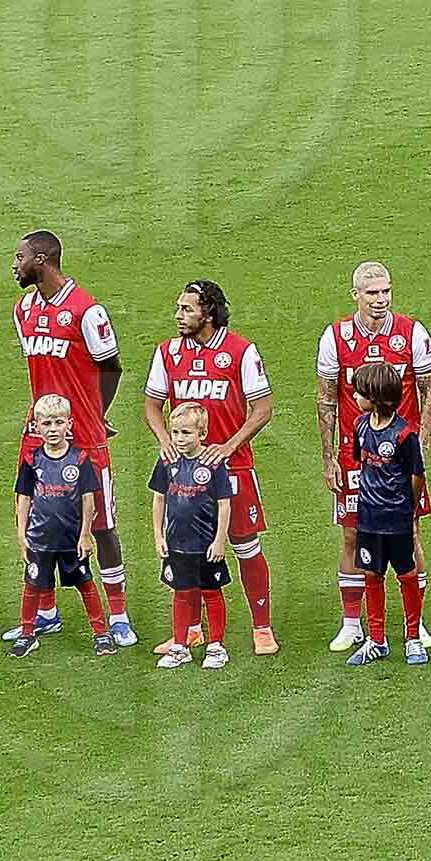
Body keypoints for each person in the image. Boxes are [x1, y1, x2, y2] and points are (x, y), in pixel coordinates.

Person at [10, 231, 135, 648]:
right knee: (37, 521)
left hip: (84, 438)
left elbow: (111, 367)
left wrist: (96, 415)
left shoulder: (87, 311)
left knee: (101, 526)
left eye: (20, 257)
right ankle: (45, 612)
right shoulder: (22, 309)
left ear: (42, 260)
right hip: (37, 434)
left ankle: (117, 614)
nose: (15, 265)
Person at [145, 280, 280, 656]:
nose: (178, 316)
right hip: (184, 475)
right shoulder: (168, 353)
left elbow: (263, 408)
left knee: (246, 546)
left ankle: (262, 628)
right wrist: (164, 441)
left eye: (186, 309)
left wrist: (228, 446)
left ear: (208, 312)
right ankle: (190, 630)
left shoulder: (239, 351)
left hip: (232, 470)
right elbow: (152, 405)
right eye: (178, 308)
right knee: (186, 549)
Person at [315, 261, 431, 657]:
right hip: (358, 456)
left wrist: (424, 446)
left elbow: (429, 391)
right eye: (372, 293)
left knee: (411, 533)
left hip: (401, 457)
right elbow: (326, 399)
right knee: (352, 535)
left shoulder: (412, 333)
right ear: (356, 296)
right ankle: (353, 623)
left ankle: (413, 626)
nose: (381, 300)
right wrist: (329, 457)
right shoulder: (335, 338)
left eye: (386, 291)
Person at [342, 365, 430, 668]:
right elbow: (362, 464)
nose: (354, 396)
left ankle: (413, 638)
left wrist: (409, 507)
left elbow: (417, 476)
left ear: (376, 397)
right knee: (372, 576)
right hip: (368, 518)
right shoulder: (359, 426)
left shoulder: (405, 434)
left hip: (397, 519)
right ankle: (376, 640)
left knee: (407, 576)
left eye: (360, 392)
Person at [10, 395, 104, 657]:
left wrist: (85, 535)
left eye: (58, 423)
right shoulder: (32, 461)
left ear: (69, 424)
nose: (52, 429)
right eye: (47, 424)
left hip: (71, 539)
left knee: (85, 582)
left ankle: (100, 633)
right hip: (39, 538)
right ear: (37, 427)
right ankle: (27, 633)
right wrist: (21, 534)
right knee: (32, 584)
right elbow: (24, 498)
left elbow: (88, 499)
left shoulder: (80, 459)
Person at [148, 402, 236, 669]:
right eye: (175, 432)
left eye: (186, 433)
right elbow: (159, 500)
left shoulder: (213, 464)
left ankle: (216, 646)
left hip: (206, 545)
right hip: (177, 545)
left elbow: (224, 504)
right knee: (182, 593)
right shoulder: (166, 461)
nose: (179, 439)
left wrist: (219, 539)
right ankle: (180, 646)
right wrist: (158, 536)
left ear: (202, 433)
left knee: (211, 593)